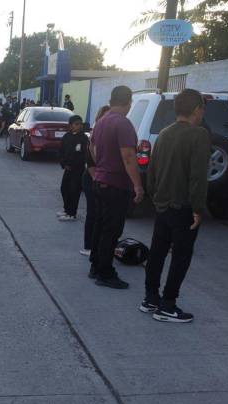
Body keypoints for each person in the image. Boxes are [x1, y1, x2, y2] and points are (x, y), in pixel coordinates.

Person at [141, 89, 210, 324]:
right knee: (181, 256)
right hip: (184, 206)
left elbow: (151, 172)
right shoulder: (198, 135)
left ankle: (151, 297)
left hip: (162, 205)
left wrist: (156, 197)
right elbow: (198, 177)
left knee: (158, 251)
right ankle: (168, 305)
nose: (203, 113)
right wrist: (198, 209)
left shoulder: (164, 133)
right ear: (196, 109)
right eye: (202, 108)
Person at [89, 86, 143, 289]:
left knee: (100, 227)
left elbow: (92, 148)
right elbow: (129, 157)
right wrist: (138, 185)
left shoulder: (101, 121)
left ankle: (95, 266)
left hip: (100, 181)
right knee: (111, 231)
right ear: (128, 102)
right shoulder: (123, 123)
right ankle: (105, 272)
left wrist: (101, 166)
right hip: (115, 185)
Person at [81, 105, 111, 256]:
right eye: (105, 116)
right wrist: (98, 181)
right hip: (92, 179)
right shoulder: (93, 136)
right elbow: (90, 164)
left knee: (102, 215)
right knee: (93, 213)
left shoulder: (110, 135)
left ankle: (98, 245)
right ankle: (88, 246)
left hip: (103, 181)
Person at [57, 115, 89, 221]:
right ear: (70, 126)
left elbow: (84, 154)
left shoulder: (83, 138)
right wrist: (63, 163)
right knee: (64, 189)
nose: (79, 126)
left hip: (78, 170)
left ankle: (72, 213)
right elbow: (61, 151)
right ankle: (66, 210)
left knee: (74, 191)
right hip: (67, 168)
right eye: (76, 124)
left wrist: (78, 164)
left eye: (80, 124)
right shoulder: (67, 136)